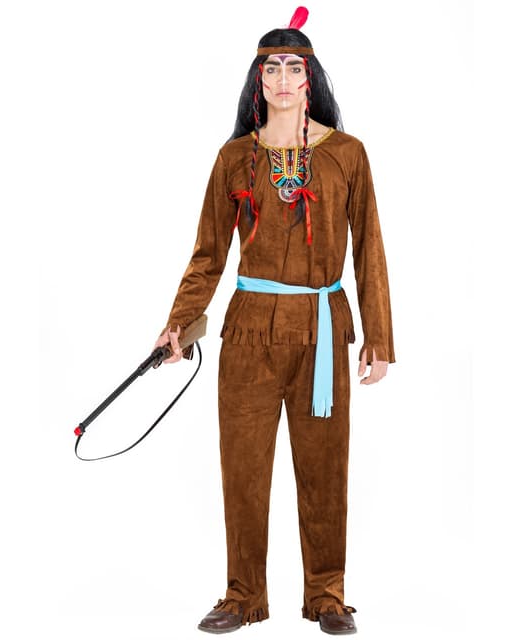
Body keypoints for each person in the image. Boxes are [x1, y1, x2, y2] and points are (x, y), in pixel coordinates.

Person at [153, 6, 395, 635]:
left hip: (321, 331)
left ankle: (327, 595)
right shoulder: (235, 158)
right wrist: (179, 323)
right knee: (243, 470)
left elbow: (369, 248)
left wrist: (379, 337)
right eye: (272, 69)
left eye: (294, 67)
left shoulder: (348, 155)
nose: (283, 79)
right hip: (249, 333)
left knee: (325, 470)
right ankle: (242, 595)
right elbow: (208, 253)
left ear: (310, 77)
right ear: (257, 79)